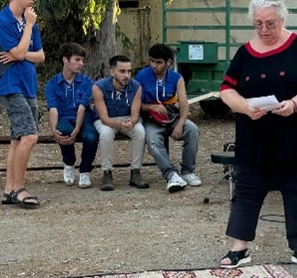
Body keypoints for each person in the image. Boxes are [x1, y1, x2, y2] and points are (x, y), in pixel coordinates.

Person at [219, 0, 297, 269]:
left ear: (282, 19)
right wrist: (243, 106)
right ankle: (239, 248)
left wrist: (294, 104)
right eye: (258, 24)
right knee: (247, 190)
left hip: (295, 133)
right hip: (255, 136)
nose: (264, 29)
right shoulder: (245, 52)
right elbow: (226, 89)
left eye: (270, 23)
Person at [0, 0, 45, 208]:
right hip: (9, 85)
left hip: (28, 84)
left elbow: (39, 56)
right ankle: (19, 188)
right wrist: (26, 34)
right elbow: (21, 52)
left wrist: (18, 55)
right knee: (29, 136)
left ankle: (9, 189)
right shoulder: (2, 20)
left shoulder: (29, 21)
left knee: (17, 139)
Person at [136, 43, 201, 192]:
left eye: (158, 62)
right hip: (151, 118)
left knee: (192, 130)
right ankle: (171, 174)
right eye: (152, 61)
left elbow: (184, 104)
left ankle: (187, 171)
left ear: (168, 63)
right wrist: (151, 107)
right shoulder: (142, 76)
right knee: (152, 140)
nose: (154, 65)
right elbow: (136, 104)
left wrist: (180, 125)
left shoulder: (177, 78)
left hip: (171, 116)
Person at [44, 42, 99, 188]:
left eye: (82, 60)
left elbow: (82, 107)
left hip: (85, 116)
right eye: (77, 60)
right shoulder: (52, 84)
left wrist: (77, 130)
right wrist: (53, 130)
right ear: (65, 60)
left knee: (91, 136)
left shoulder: (87, 82)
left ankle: (85, 170)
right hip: (65, 118)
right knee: (63, 131)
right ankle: (69, 163)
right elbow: (53, 108)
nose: (81, 63)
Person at [92, 55, 149, 191]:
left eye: (129, 71)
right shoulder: (99, 87)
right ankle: (107, 172)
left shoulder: (136, 87)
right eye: (122, 71)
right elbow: (104, 118)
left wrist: (131, 122)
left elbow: (135, 114)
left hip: (128, 117)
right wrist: (119, 125)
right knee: (105, 134)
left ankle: (135, 172)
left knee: (140, 132)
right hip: (106, 120)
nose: (127, 75)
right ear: (112, 72)